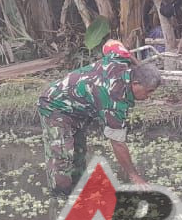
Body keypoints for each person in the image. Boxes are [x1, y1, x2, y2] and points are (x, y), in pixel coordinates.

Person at [37, 40, 161, 195]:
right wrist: (134, 175)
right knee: (62, 157)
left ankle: (76, 192)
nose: (149, 97)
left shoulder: (119, 59)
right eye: (148, 91)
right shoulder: (114, 99)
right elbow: (117, 143)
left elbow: (111, 44)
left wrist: (132, 60)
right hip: (55, 105)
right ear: (135, 84)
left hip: (78, 110)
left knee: (78, 153)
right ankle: (59, 199)